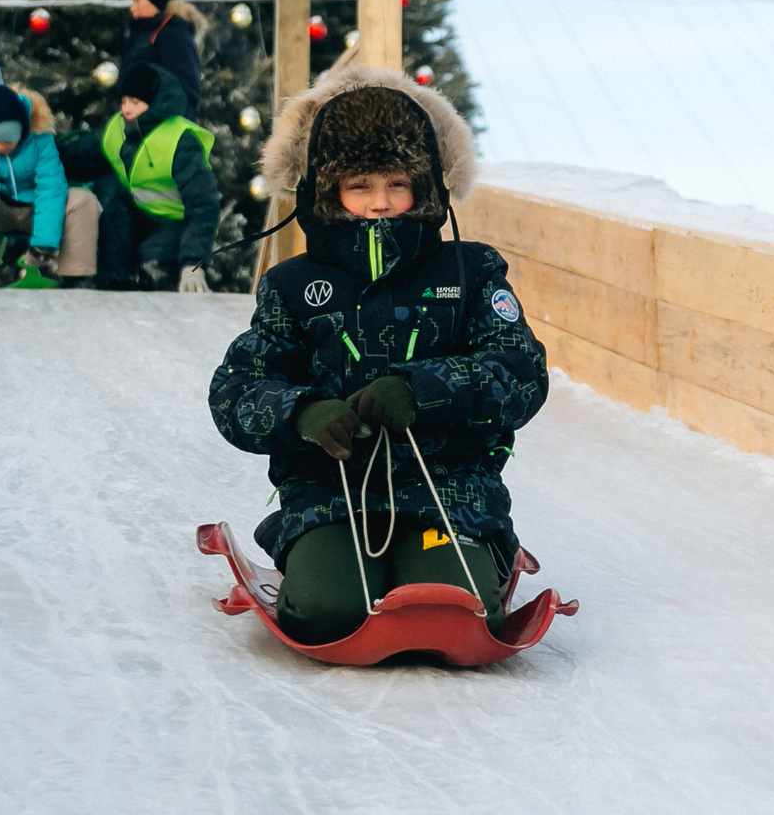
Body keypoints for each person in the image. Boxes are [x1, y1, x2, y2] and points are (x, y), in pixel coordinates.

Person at [207, 62, 547, 646]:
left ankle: (475, 556)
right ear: (329, 192)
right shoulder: (292, 286)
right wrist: (302, 412)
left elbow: (520, 370)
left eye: (396, 184)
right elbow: (237, 387)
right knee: (326, 610)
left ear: (426, 187)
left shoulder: (470, 270)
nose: (381, 202)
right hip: (329, 492)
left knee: (456, 606)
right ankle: (316, 563)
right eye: (360, 186)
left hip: (448, 492)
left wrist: (425, 390)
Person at [0, 84, 102, 287]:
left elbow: (51, 190)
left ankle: (77, 279)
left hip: (35, 210)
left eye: (10, 140)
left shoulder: (41, 143)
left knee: (82, 199)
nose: (3, 147)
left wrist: (42, 246)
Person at [71, 62, 220, 291]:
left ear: (155, 104)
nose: (127, 109)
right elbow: (81, 157)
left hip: (172, 225)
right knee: (106, 185)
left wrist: (194, 262)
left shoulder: (180, 141)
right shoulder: (116, 129)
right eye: (123, 102)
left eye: (135, 103)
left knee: (154, 271)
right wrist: (37, 151)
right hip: (130, 219)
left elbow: (203, 203)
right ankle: (112, 280)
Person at [117, 0, 204, 110]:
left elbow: (186, 87)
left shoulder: (172, 34)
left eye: (138, 0)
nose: (132, 7)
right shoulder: (142, 34)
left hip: (163, 125)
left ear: (155, 0)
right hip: (141, 124)